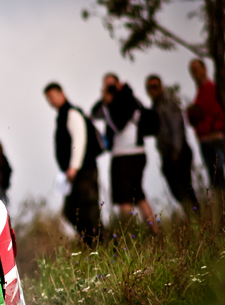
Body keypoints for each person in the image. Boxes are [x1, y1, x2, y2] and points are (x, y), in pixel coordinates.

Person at [92, 73, 158, 231]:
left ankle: (127, 236)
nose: (111, 89)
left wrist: (109, 104)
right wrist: (105, 99)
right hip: (128, 154)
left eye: (112, 85)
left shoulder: (127, 99)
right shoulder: (114, 102)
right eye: (107, 86)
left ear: (119, 84)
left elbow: (118, 125)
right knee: (138, 195)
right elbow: (95, 113)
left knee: (124, 199)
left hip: (127, 155)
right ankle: (154, 232)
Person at [44, 82, 103, 246]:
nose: (51, 100)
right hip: (73, 174)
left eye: (52, 96)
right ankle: (90, 243)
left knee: (89, 210)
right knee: (70, 212)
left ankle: (103, 245)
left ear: (61, 93)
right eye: (48, 98)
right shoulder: (62, 116)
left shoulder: (72, 113)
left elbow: (79, 140)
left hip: (84, 171)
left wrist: (74, 166)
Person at [145, 74, 198, 212]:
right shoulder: (156, 106)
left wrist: (176, 151)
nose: (152, 90)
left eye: (155, 86)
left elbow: (176, 128)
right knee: (177, 189)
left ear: (161, 87)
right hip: (168, 154)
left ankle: (198, 217)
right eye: (150, 87)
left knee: (185, 188)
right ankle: (193, 216)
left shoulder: (167, 103)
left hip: (178, 152)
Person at [186, 58, 225, 196]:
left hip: (214, 139)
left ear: (204, 69)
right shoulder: (201, 92)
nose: (195, 73)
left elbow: (211, 113)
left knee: (218, 177)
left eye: (196, 69)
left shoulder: (211, 89)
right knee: (216, 179)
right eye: (192, 71)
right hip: (206, 140)